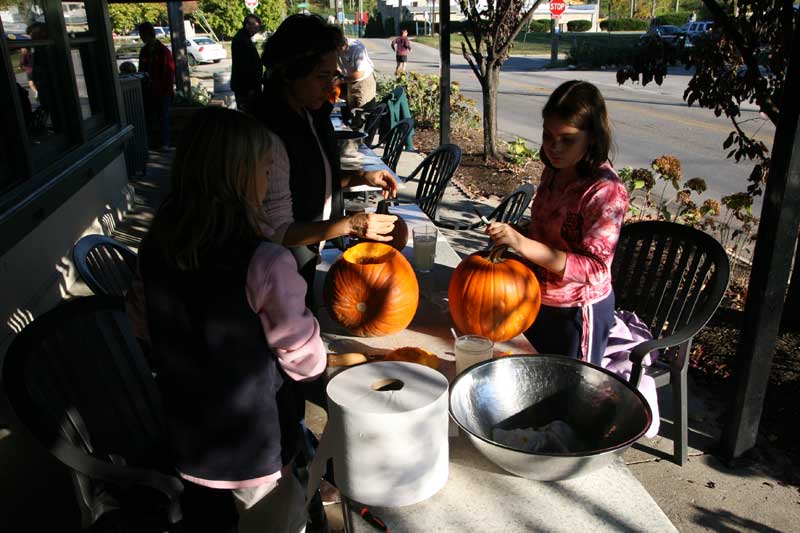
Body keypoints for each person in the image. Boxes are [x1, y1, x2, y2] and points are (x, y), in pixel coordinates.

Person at [136, 107, 326, 533]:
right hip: (252, 450)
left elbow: (146, 326)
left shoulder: (155, 248)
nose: (267, 183)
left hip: (187, 436)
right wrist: (314, 333)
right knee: (275, 521)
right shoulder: (266, 262)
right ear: (239, 177)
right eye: (263, 171)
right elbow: (305, 362)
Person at [485, 80, 628, 367]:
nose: (554, 147)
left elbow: (595, 269)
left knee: (571, 391)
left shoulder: (605, 191)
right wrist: (513, 237)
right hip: (536, 298)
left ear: (592, 138)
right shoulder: (553, 171)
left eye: (568, 139)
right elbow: (548, 231)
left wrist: (523, 244)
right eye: (548, 136)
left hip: (575, 311)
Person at [256, 14, 398, 296]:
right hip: (279, 273)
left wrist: (361, 177)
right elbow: (279, 231)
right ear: (289, 72)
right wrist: (351, 224)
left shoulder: (308, 113)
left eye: (333, 75)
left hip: (304, 257)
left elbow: (310, 178)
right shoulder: (270, 135)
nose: (331, 86)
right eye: (321, 76)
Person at [138, 21, 175, 150]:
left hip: (162, 91)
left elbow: (169, 73)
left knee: (163, 117)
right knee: (150, 118)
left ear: (148, 33)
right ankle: (152, 143)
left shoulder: (163, 51)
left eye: (142, 34)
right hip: (148, 91)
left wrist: (168, 91)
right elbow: (141, 71)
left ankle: (165, 143)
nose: (141, 37)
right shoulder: (144, 51)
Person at [337, 36, 377, 126]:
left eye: (340, 49)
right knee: (353, 111)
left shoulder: (357, 48)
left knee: (364, 112)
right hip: (350, 79)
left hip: (364, 81)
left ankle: (366, 137)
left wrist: (342, 80)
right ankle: (355, 130)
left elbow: (360, 73)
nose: (339, 52)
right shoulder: (334, 49)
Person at [231, 14, 263, 114]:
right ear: (247, 25)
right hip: (246, 89)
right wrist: (251, 88)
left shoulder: (245, 38)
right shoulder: (241, 40)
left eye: (258, 27)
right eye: (256, 26)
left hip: (248, 88)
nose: (257, 29)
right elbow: (244, 67)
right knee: (249, 116)